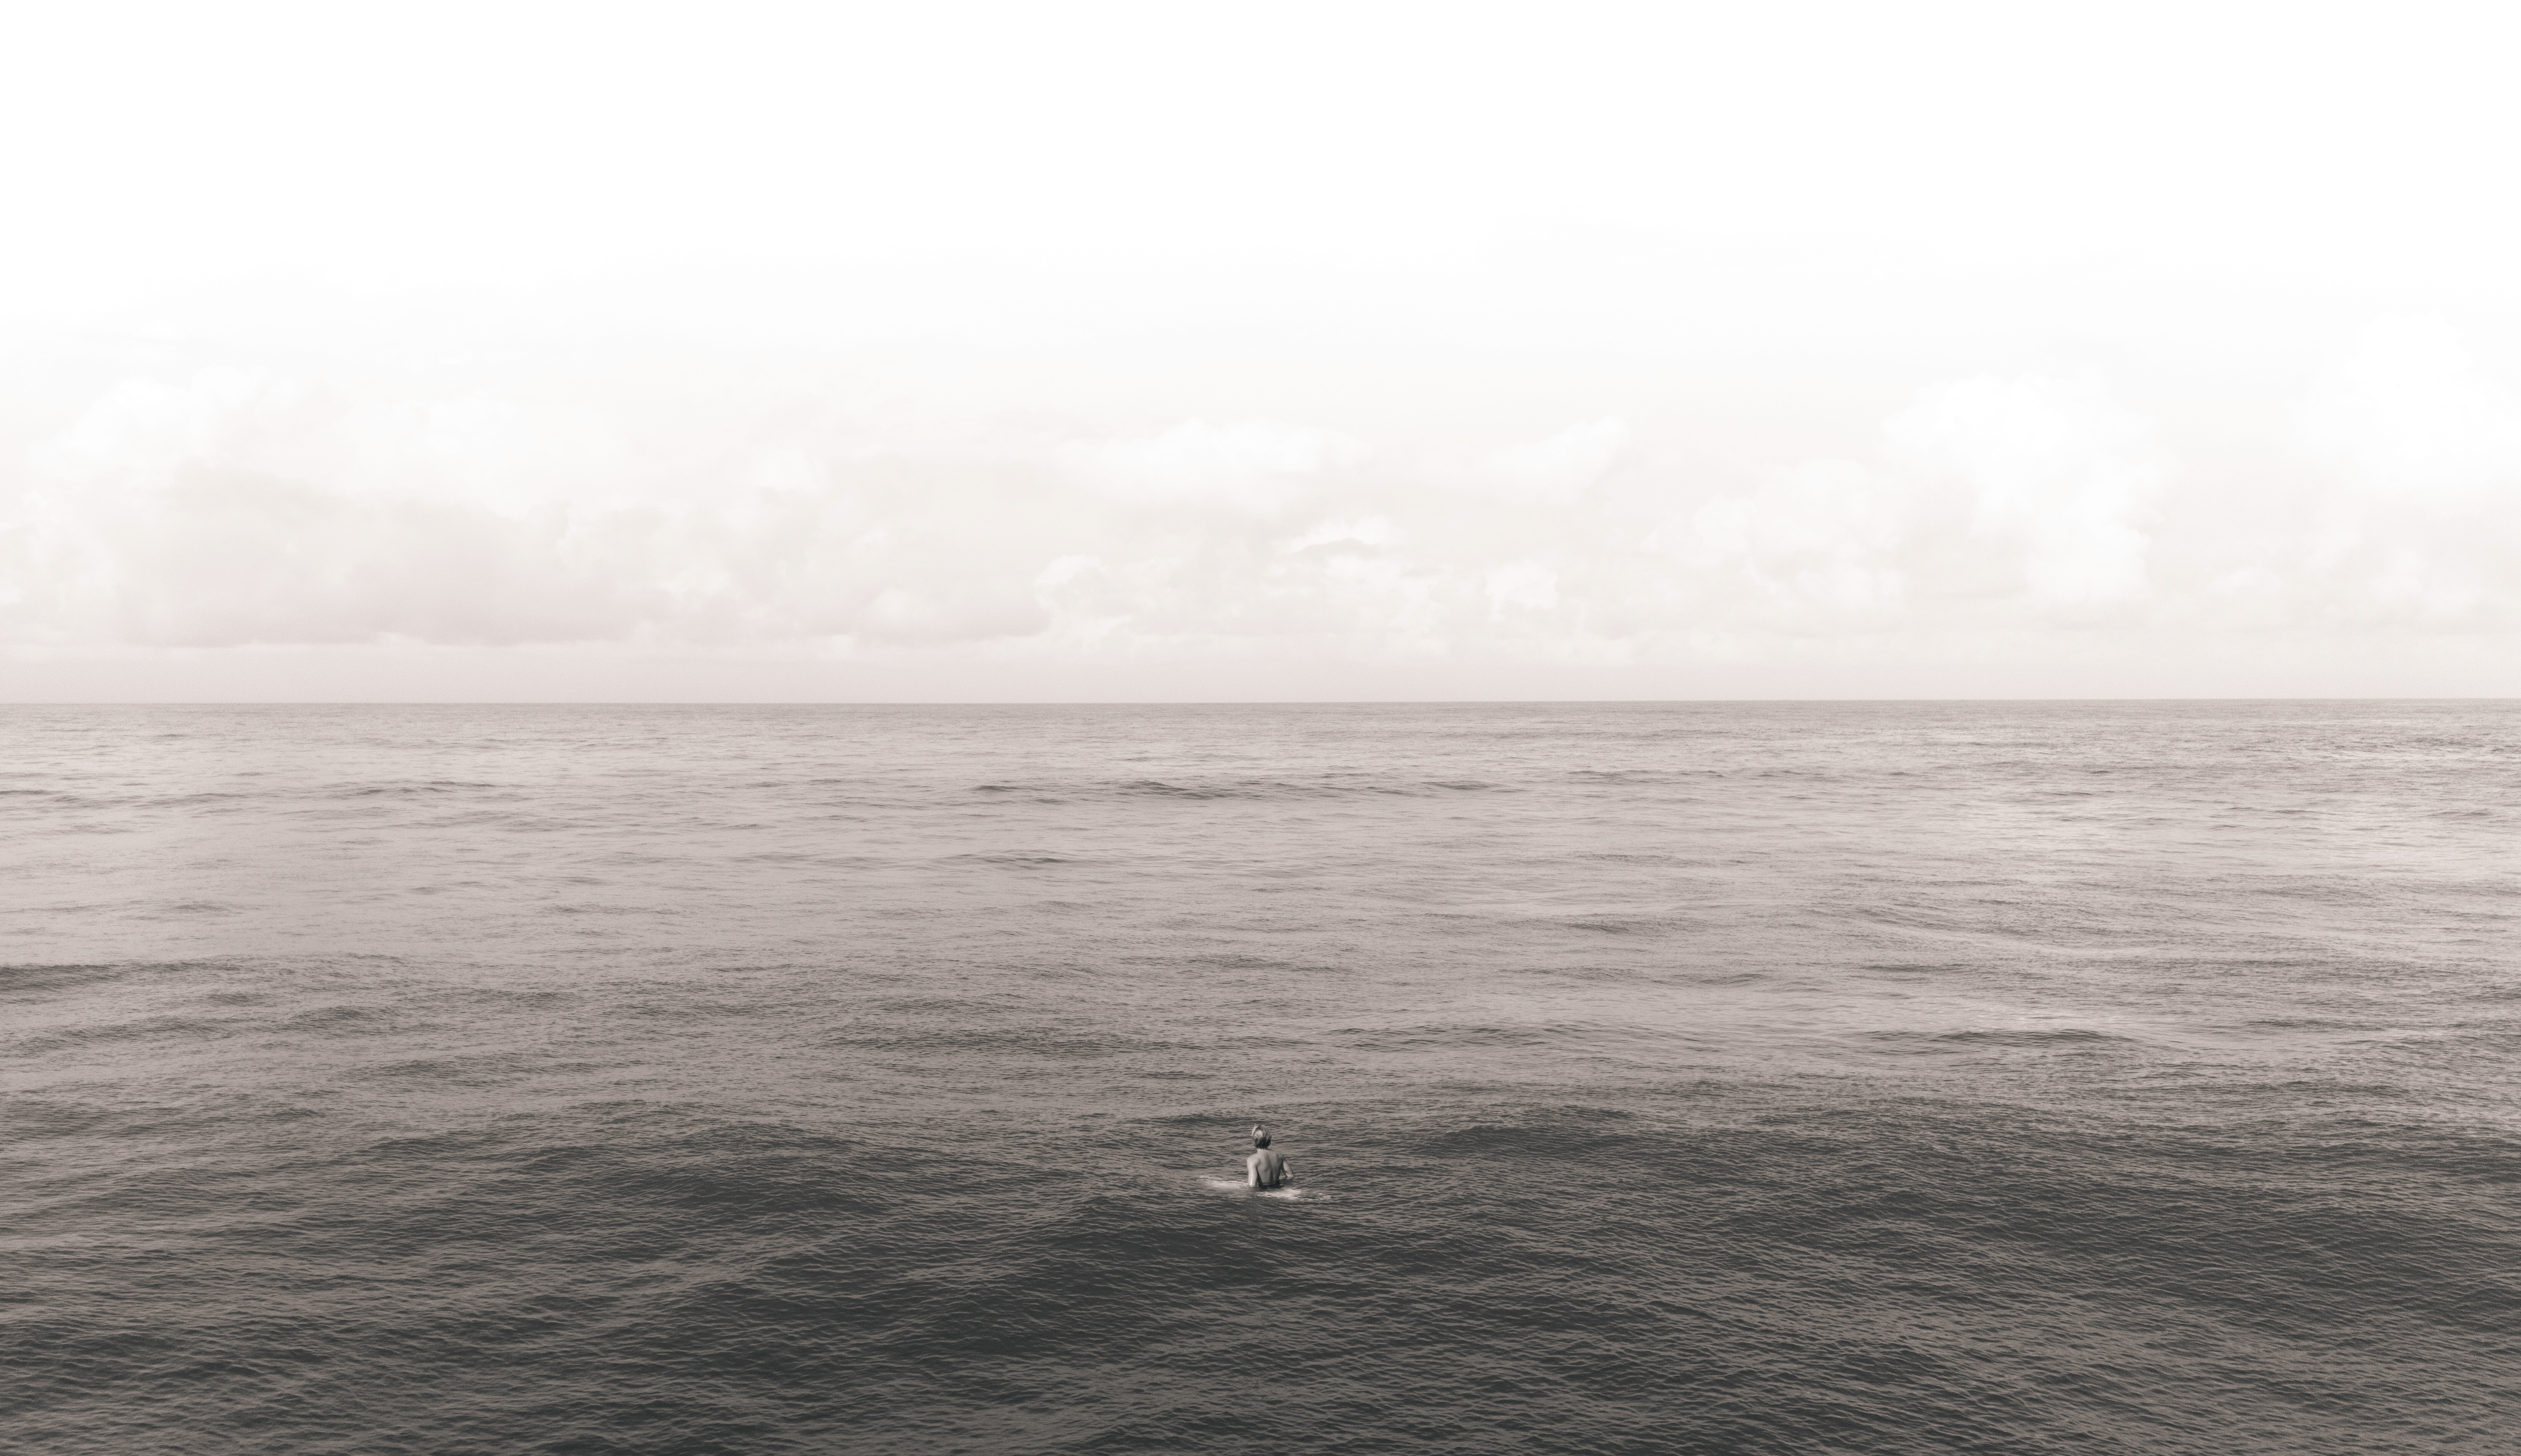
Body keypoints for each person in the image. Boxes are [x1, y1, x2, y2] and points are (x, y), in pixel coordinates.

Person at [1245, 1125, 1292, 1190]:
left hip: (1263, 1191)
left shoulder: (1253, 1160)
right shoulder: (1279, 1156)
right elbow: (1290, 1176)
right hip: (1277, 1188)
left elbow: (1252, 1186)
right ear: (1269, 1139)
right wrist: (1280, 1186)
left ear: (1254, 1140)